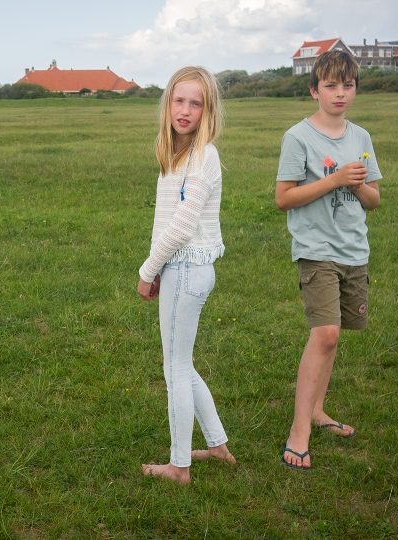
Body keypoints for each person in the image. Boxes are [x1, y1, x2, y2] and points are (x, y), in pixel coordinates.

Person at [275, 50, 381, 471]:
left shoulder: (362, 137)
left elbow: (373, 199)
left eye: (348, 85)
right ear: (314, 90)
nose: (340, 93)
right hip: (316, 250)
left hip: (354, 250)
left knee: (334, 336)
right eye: (331, 86)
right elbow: (283, 198)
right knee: (325, 333)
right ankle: (298, 431)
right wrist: (334, 179)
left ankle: (318, 411)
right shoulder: (298, 137)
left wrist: (354, 185)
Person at [137, 66, 236, 484]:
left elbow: (182, 224)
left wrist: (148, 269)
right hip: (180, 266)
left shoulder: (203, 154)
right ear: (168, 103)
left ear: (207, 110)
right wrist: (158, 265)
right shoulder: (173, 151)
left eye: (196, 103)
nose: (185, 110)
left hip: (187, 267)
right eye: (179, 100)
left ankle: (179, 467)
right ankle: (216, 446)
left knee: (174, 368)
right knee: (182, 362)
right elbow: (165, 221)